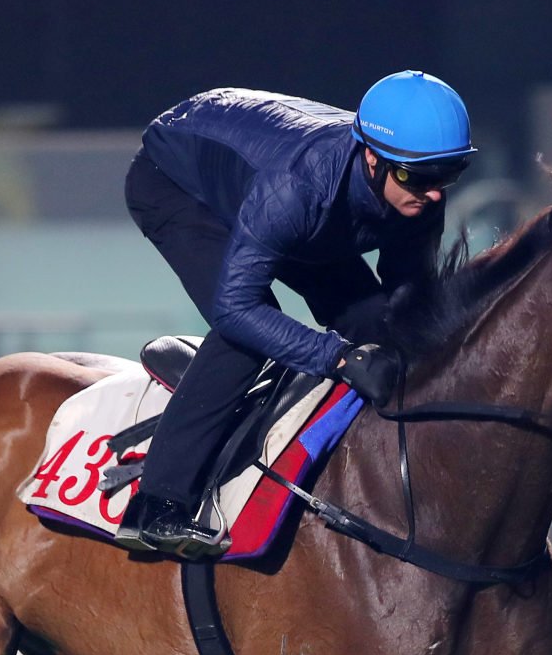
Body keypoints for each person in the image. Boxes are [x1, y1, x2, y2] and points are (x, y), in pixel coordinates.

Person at [116, 71, 476, 556]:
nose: (432, 194)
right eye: (416, 177)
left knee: (379, 327)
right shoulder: (297, 190)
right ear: (372, 158)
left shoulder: (417, 190)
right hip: (178, 185)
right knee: (248, 337)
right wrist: (339, 357)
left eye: (448, 175)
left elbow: (406, 303)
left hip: (280, 201)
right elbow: (236, 309)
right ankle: (156, 504)